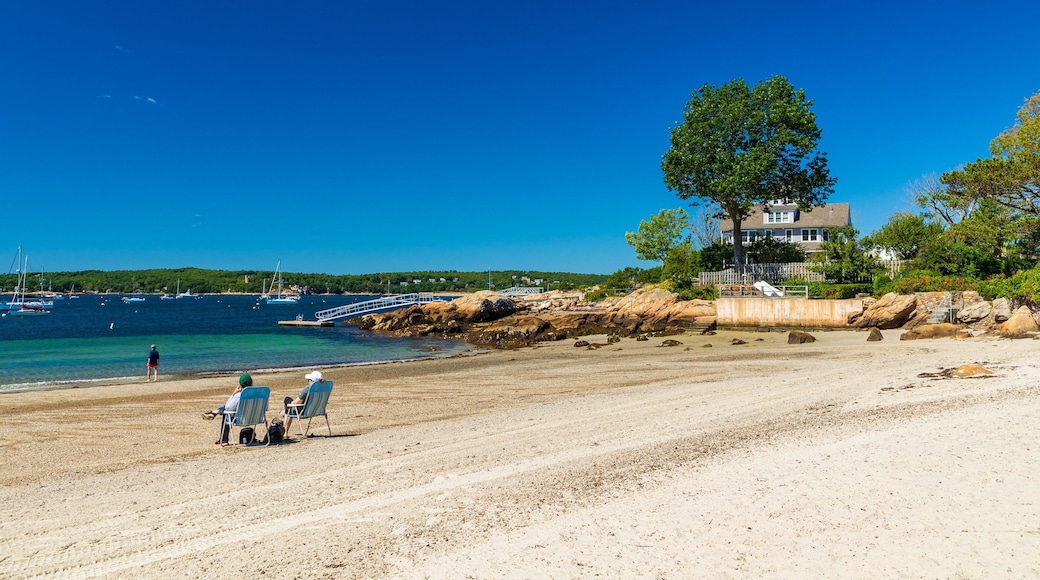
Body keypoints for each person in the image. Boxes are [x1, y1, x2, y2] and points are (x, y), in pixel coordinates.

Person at [202, 373, 252, 445]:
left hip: (241, 419)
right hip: (256, 418)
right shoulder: (261, 394)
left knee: (226, 414)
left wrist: (234, 393)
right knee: (230, 410)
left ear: (240, 385)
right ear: (252, 383)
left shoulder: (239, 395)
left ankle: (224, 440)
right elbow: (266, 408)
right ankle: (214, 412)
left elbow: (228, 407)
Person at [283, 370, 323, 437]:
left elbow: (296, 402)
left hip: (303, 412)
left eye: (309, 380)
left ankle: (285, 432)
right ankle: (285, 412)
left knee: (287, 402)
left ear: (312, 381)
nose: (308, 381)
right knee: (287, 409)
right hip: (316, 410)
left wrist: (291, 403)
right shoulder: (322, 390)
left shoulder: (307, 389)